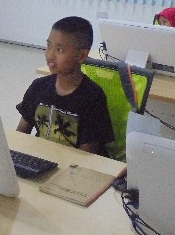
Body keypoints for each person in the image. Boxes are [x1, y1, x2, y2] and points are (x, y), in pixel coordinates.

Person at [16, 16, 115, 156]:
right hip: (42, 159)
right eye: (49, 46)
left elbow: (87, 155)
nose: (50, 55)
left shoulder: (92, 97)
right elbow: (21, 134)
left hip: (74, 165)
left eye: (59, 50)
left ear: (81, 56)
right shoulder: (38, 87)